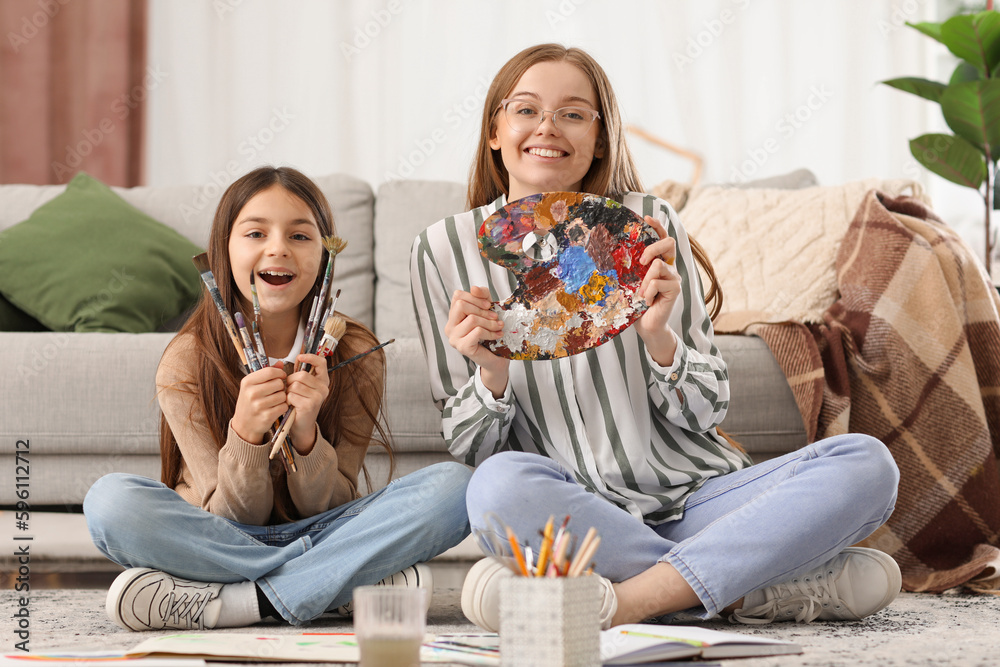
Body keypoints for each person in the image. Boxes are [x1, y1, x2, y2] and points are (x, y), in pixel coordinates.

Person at [410, 44, 901, 631]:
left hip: (699, 502)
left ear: (599, 137)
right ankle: (748, 588)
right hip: (579, 515)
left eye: (573, 113)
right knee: (495, 488)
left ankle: (628, 600)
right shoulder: (442, 249)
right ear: (495, 129)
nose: (547, 127)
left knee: (867, 463)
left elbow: (707, 409)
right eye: (526, 109)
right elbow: (473, 449)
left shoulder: (650, 224)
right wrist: (491, 375)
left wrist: (659, 337)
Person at [85, 166, 471, 631]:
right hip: (219, 535)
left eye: (300, 235)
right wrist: (245, 435)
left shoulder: (355, 352)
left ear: (326, 255)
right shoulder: (187, 359)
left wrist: (307, 434)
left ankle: (237, 603)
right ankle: (335, 582)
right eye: (255, 232)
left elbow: (329, 505)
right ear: (224, 251)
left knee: (458, 486)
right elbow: (231, 515)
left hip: (326, 528)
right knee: (110, 503)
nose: (278, 248)